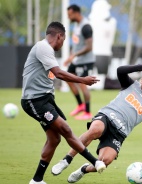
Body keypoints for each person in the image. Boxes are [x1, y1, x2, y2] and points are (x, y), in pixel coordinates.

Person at [51, 58, 142, 183]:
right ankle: (66, 160)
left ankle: (84, 169)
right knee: (95, 130)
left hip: (119, 134)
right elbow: (120, 70)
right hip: (107, 116)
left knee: (104, 161)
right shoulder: (130, 85)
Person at [21, 22, 106, 184]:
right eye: (64, 39)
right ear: (59, 36)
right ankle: (95, 161)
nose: (63, 43)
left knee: (54, 139)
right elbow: (58, 73)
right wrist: (83, 80)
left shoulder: (47, 50)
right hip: (34, 100)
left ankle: (37, 180)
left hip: (46, 99)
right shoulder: (43, 47)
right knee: (66, 129)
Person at [64, 4, 95, 120]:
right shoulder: (77, 26)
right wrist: (72, 56)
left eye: (70, 15)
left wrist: (74, 55)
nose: (68, 17)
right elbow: (77, 44)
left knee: (83, 85)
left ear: (76, 13)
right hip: (77, 60)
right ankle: (80, 105)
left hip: (86, 61)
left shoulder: (86, 26)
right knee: (67, 78)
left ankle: (87, 112)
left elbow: (89, 47)